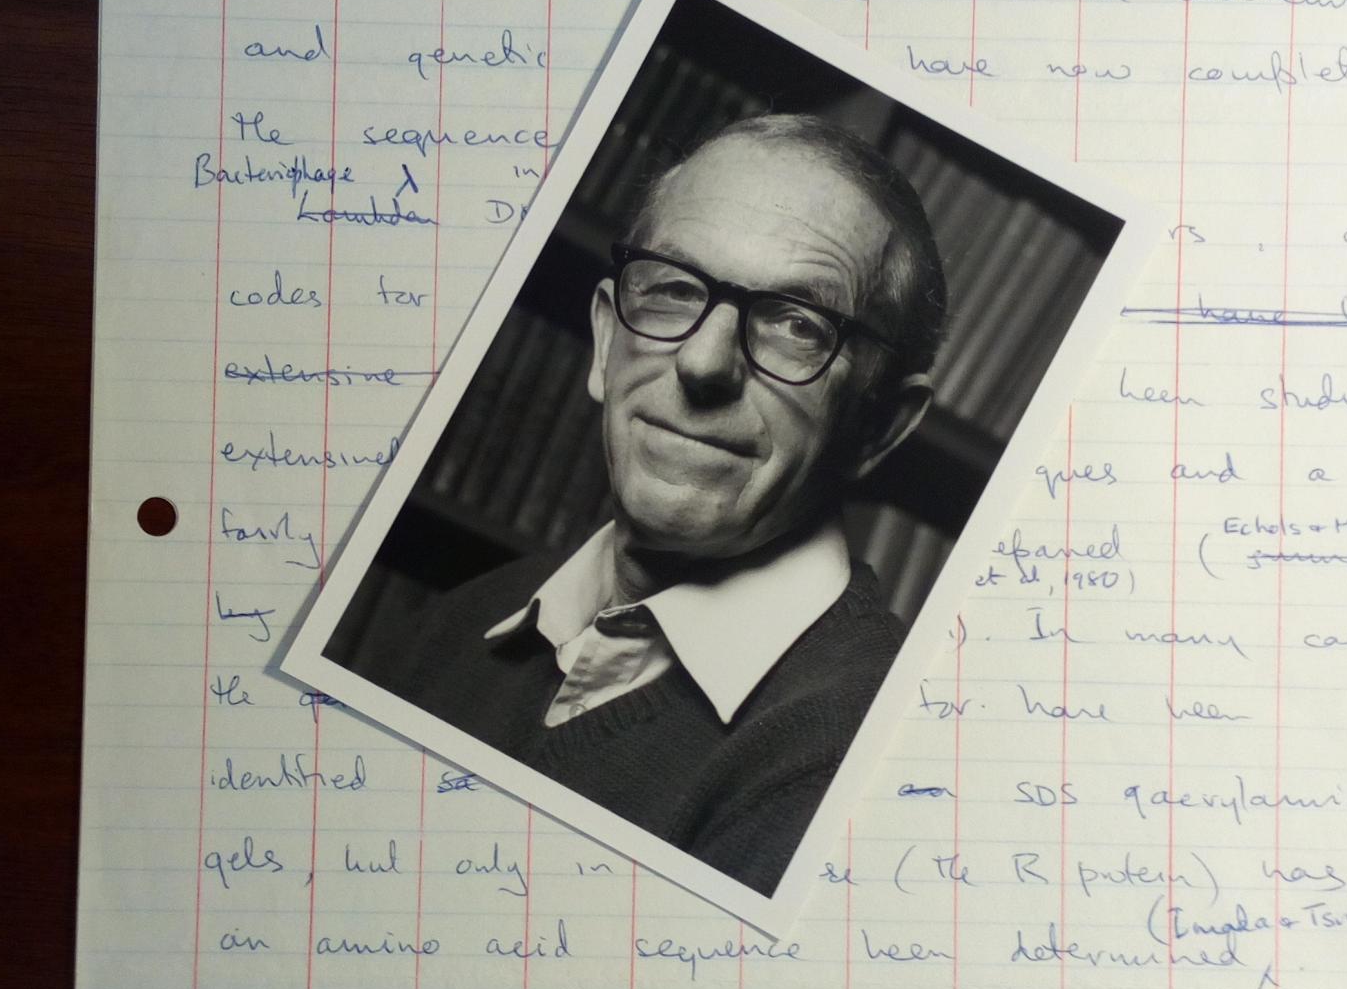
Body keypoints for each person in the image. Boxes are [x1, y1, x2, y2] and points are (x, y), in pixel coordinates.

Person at [363, 112, 949, 897]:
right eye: (675, 289)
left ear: (880, 427)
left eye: (796, 324)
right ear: (606, 343)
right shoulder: (455, 625)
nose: (704, 363)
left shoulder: (866, 758)